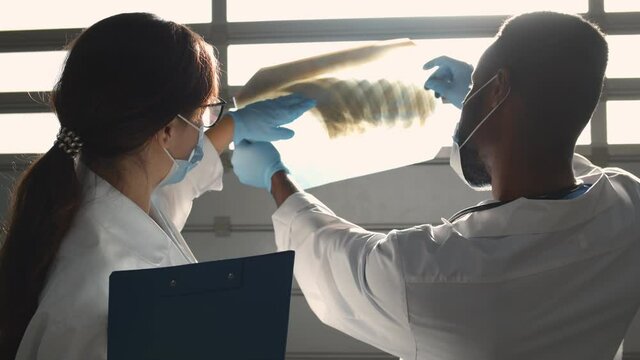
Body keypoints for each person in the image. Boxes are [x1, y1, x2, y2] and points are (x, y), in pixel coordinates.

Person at [231, 12, 640, 360]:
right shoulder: (627, 207)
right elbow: (562, 173)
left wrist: (275, 177)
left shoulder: (438, 277)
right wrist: (475, 100)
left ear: (499, 89)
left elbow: (332, 256)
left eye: (479, 82)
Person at [0, 13, 315, 360]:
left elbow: (170, 192)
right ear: (166, 130)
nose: (203, 129)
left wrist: (233, 127)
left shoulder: (97, 196)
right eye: (202, 115)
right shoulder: (94, 308)